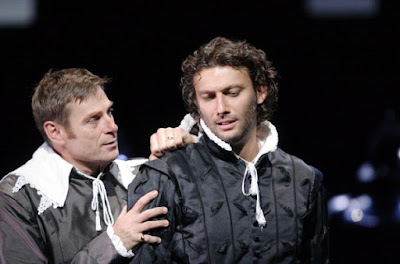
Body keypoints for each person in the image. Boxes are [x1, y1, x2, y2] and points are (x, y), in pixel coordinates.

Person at [127, 37, 330, 263]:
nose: (221, 108)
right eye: (209, 97)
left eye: (232, 93)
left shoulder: (304, 179)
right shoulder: (166, 175)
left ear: (260, 92)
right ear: (196, 103)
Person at [0, 68, 196, 263]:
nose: (112, 127)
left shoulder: (134, 176)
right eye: (94, 120)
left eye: (109, 112)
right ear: (55, 132)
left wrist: (189, 147)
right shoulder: (19, 196)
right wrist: (114, 243)